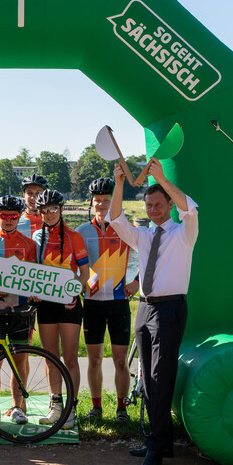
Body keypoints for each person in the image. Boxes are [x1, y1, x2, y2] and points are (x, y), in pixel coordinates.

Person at [109, 158, 198, 465]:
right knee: (147, 377)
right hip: (145, 308)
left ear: (169, 204)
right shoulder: (143, 235)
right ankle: (157, 441)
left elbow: (190, 209)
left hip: (170, 308)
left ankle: (157, 448)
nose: (153, 210)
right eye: (149, 205)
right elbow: (117, 220)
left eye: (159, 204)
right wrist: (119, 183)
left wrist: (161, 178)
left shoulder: (183, 233)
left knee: (160, 379)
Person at [75, 177, 139, 424]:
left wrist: (137, 282)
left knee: (121, 360)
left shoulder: (124, 229)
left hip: (118, 302)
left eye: (106, 200)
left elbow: (151, 255)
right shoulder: (81, 232)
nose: (101, 205)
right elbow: (70, 264)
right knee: (94, 359)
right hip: (91, 303)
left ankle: (121, 409)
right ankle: (97, 407)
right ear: (91, 203)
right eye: (97, 201)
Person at [32, 189, 89, 430]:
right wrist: (33, 288)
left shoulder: (74, 236)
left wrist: (75, 288)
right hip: (45, 304)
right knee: (50, 356)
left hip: (69, 303)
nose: (49, 214)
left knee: (70, 358)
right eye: (44, 211)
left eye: (53, 209)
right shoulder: (37, 236)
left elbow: (85, 272)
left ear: (61, 209)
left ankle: (71, 407)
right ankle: (55, 404)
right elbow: (32, 271)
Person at [0, 195, 37, 425]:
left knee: (19, 360)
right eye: (4, 216)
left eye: (14, 216)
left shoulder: (29, 244)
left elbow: (35, 275)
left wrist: (36, 291)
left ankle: (17, 407)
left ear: (19, 217)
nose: (9, 220)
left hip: (21, 307)